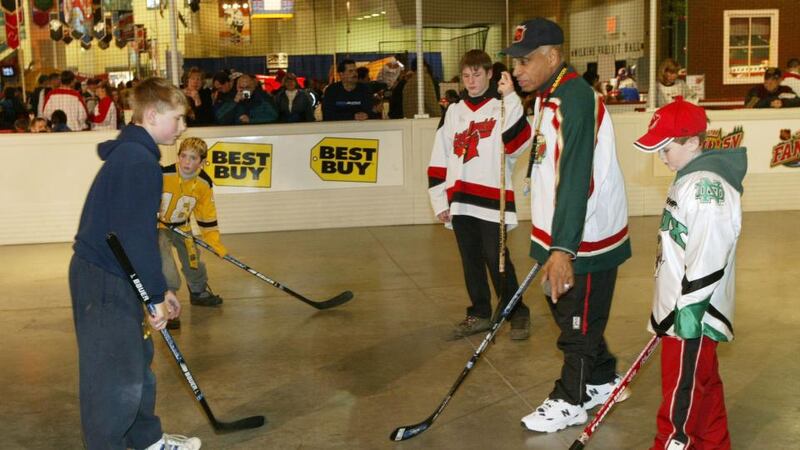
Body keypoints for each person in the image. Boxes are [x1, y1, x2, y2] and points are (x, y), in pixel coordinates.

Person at [503, 17, 632, 432]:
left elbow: (577, 177)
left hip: (585, 238)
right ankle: (604, 377)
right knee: (564, 307)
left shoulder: (574, 99)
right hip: (559, 232)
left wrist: (563, 251)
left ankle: (571, 399)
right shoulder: (548, 95)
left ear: (553, 56)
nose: (516, 70)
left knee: (577, 323)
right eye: (515, 62)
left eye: (524, 62)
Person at [69, 77, 202, 449]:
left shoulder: (136, 155)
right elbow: (133, 236)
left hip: (117, 275)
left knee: (135, 365)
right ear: (153, 115)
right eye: (177, 118)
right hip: (104, 281)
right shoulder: (137, 162)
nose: (182, 128)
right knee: (113, 379)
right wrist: (154, 293)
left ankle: (147, 442)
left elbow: (138, 233)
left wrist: (161, 288)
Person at [633, 97, 745, 450]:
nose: (661, 155)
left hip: (691, 316)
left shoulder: (704, 187)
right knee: (703, 385)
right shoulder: (689, 178)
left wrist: (687, 314)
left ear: (694, 142)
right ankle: (714, 443)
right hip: (679, 311)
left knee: (680, 400)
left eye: (667, 147)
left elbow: (710, 254)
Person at [428, 49, 533, 341]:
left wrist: (512, 97)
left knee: (496, 256)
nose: (471, 81)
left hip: (492, 199)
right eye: (465, 75)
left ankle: (517, 311)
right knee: (470, 258)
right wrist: (439, 199)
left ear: (490, 74)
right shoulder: (453, 111)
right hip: (460, 198)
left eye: (477, 74)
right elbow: (440, 156)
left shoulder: (502, 107)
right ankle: (479, 312)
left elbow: (518, 144)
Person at [158, 137, 226, 329]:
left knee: (193, 257)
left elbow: (206, 214)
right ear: (178, 156)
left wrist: (214, 242)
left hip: (182, 225)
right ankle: (169, 302)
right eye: (184, 156)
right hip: (160, 226)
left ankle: (198, 291)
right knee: (165, 260)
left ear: (202, 161)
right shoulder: (163, 174)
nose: (187, 162)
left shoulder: (204, 183)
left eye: (193, 158)